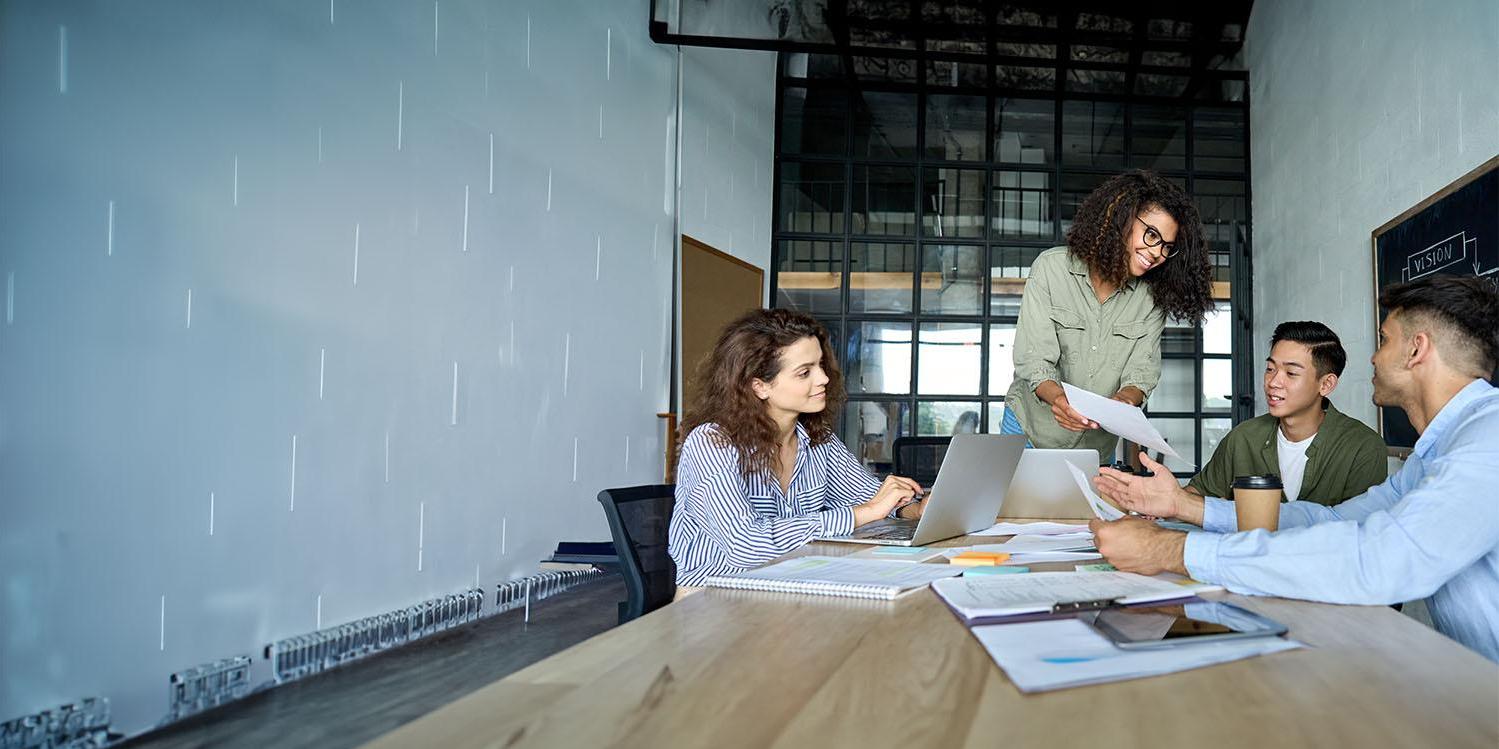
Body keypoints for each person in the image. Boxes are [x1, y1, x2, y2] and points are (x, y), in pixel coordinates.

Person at [1088, 276, 1499, 662]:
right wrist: (1185, 506)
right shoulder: (1439, 450)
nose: (1374, 356)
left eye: (1384, 340)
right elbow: (1331, 520)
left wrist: (1169, 549)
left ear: (1416, 349)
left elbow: (1379, 559)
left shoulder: (1487, 439)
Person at [669, 309, 927, 589]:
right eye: (805, 372)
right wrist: (862, 513)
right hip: (713, 600)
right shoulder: (711, 444)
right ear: (760, 386)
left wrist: (916, 508)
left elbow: (874, 500)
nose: (824, 379)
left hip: (790, 586)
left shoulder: (818, 440)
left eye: (820, 365)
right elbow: (744, 544)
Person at [1003, 170, 1214, 458]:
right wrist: (1059, 400)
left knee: (1085, 506)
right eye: (1151, 235)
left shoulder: (1152, 298)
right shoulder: (1051, 269)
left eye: (1167, 246)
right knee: (1017, 505)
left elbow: (1141, 372)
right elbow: (1035, 358)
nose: (1156, 253)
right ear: (1120, 218)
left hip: (1095, 446)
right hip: (1029, 430)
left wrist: (1125, 402)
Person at [1186, 321, 1387, 506]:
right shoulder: (1243, 437)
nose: (1273, 382)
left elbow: (1359, 532)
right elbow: (1198, 492)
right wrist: (1169, 497)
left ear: (1326, 384)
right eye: (1270, 368)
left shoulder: (1363, 447)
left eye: (1291, 373)